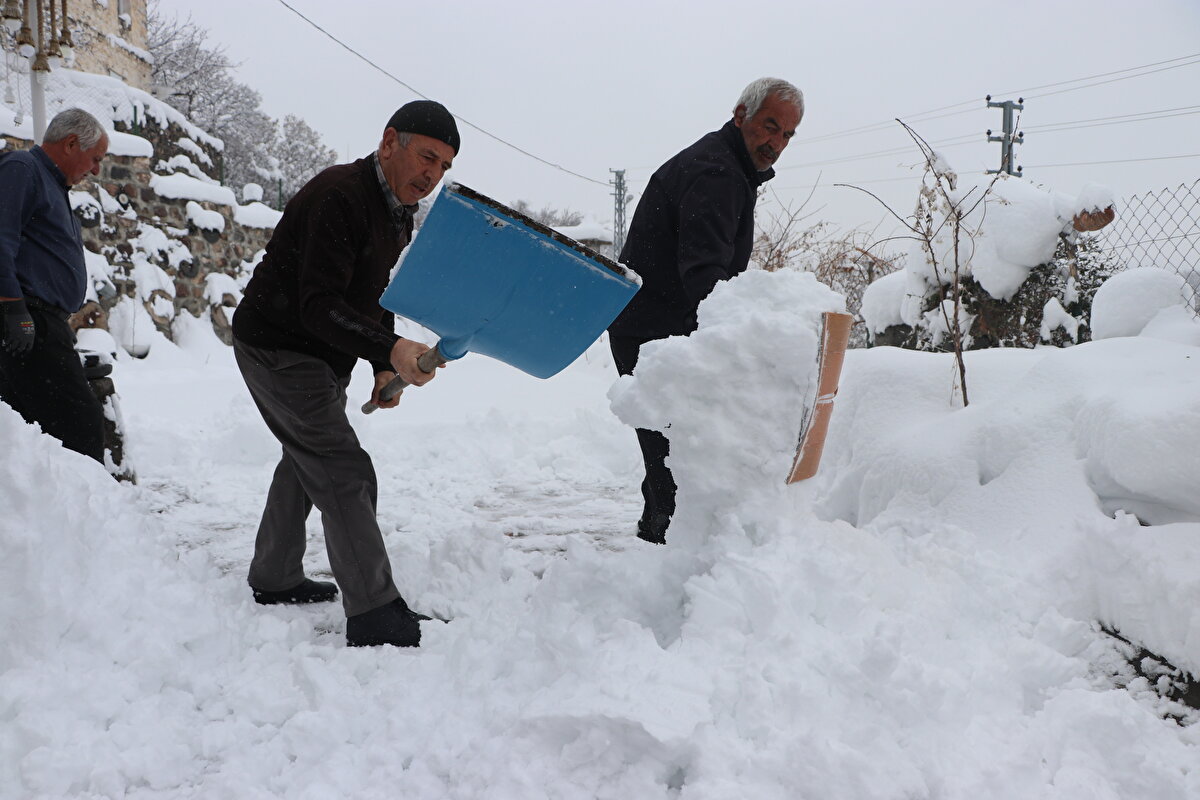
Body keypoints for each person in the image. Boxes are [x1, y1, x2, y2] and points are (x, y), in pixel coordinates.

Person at [231, 100, 458, 648]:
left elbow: (376, 295)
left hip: (319, 355)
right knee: (342, 469)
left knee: (305, 458)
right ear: (390, 142)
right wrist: (392, 347)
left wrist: (381, 362)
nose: (433, 174)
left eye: (444, 166)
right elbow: (318, 305)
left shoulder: (395, 211)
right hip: (280, 347)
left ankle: (275, 575)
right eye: (427, 156)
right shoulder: (340, 195)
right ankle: (375, 612)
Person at [607, 78, 804, 544]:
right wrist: (742, 345)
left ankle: (658, 550)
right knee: (679, 468)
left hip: (653, 327)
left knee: (671, 462)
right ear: (741, 115)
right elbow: (706, 277)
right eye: (769, 126)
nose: (776, 143)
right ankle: (664, 556)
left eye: (787, 135)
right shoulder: (717, 173)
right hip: (658, 338)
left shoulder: (725, 165)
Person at [0, 108, 109, 464]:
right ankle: (86, 498)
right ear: (71, 143)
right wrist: (14, 309)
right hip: (29, 319)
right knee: (80, 422)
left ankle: (45, 498)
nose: (96, 169)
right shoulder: (24, 169)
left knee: (34, 429)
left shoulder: (51, 182)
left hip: (43, 322)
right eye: (95, 158)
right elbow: (1, 239)